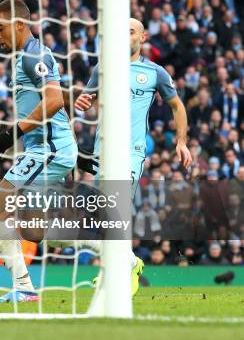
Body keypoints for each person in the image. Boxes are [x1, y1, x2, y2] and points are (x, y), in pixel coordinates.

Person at [70, 18, 193, 295]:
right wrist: (81, 101)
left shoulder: (154, 73)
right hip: (102, 150)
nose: (125, 36)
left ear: (143, 37)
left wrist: (181, 142)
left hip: (132, 150)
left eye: (131, 31)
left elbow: (177, 106)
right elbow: (85, 101)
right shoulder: (103, 67)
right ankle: (127, 263)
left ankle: (119, 269)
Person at [0, 0, 78, 303]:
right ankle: (114, 251)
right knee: (33, 232)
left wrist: (12, 134)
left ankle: (24, 289)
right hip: (47, 147)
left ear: (19, 25)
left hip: (47, 149)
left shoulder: (33, 54)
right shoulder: (26, 55)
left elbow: (55, 101)